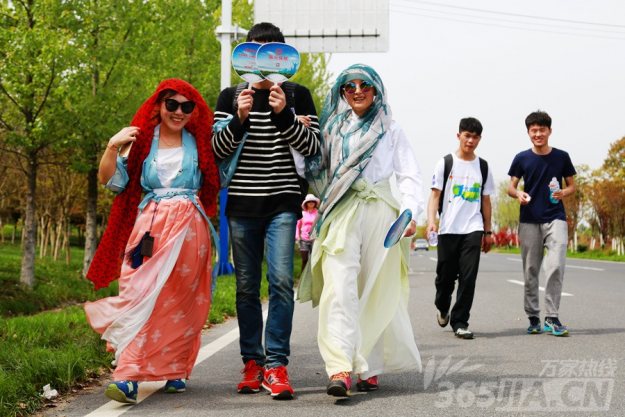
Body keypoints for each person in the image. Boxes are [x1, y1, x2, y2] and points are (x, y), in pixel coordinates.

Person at [84, 79, 219, 403]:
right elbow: (110, 181)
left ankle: (174, 367)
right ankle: (128, 375)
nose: (179, 112)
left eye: (187, 106)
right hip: (150, 227)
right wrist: (112, 146)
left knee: (182, 299)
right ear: (159, 105)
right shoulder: (141, 140)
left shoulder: (200, 140)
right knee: (138, 292)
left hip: (191, 229)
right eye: (172, 104)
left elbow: (221, 172)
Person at [298, 64, 423, 397]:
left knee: (374, 287)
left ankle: (369, 366)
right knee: (339, 287)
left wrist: (410, 211)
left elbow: (409, 174)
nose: (357, 91)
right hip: (341, 211)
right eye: (349, 86)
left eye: (364, 84)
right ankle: (339, 366)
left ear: (376, 89)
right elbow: (311, 168)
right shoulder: (332, 129)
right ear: (342, 92)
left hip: (381, 212)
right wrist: (298, 136)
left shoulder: (390, 128)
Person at [211, 22, 320, 400]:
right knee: (245, 287)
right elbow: (216, 152)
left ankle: (276, 364)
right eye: (253, 52)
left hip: (283, 204)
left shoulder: (297, 95)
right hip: (242, 205)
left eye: (270, 53)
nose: (262, 61)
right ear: (244, 57)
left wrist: (285, 115)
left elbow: (313, 149)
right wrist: (238, 119)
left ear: (283, 58)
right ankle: (252, 362)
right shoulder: (230, 96)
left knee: (280, 282)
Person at [507, 110, 576, 336]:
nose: (538, 134)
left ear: (550, 131)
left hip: (556, 217)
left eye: (542, 130)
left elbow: (572, 186)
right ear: (528, 132)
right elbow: (511, 187)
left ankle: (552, 317)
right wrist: (518, 194)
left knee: (556, 265)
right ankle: (533, 316)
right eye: (534, 130)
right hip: (529, 219)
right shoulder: (521, 158)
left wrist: (563, 192)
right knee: (531, 269)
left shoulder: (562, 157)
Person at [426, 117, 495, 340]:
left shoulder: (483, 167)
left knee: (468, 277)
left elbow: (486, 201)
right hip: (448, 229)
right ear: (459, 136)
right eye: (467, 136)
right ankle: (442, 306)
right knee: (445, 278)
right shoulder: (446, 163)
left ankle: (460, 321)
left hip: (473, 228)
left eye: (475, 137)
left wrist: (488, 231)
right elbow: (434, 196)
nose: (471, 141)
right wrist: (431, 221)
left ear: (479, 139)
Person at [295, 193, 319, 270]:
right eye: (309, 201)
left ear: (315, 203)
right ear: (306, 203)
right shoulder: (302, 213)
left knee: (313, 259)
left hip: (314, 239)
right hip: (303, 239)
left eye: (312, 201)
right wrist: (297, 236)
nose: (311, 203)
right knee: (305, 259)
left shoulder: (318, 213)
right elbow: (297, 225)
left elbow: (320, 224)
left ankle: (312, 275)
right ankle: (302, 275)